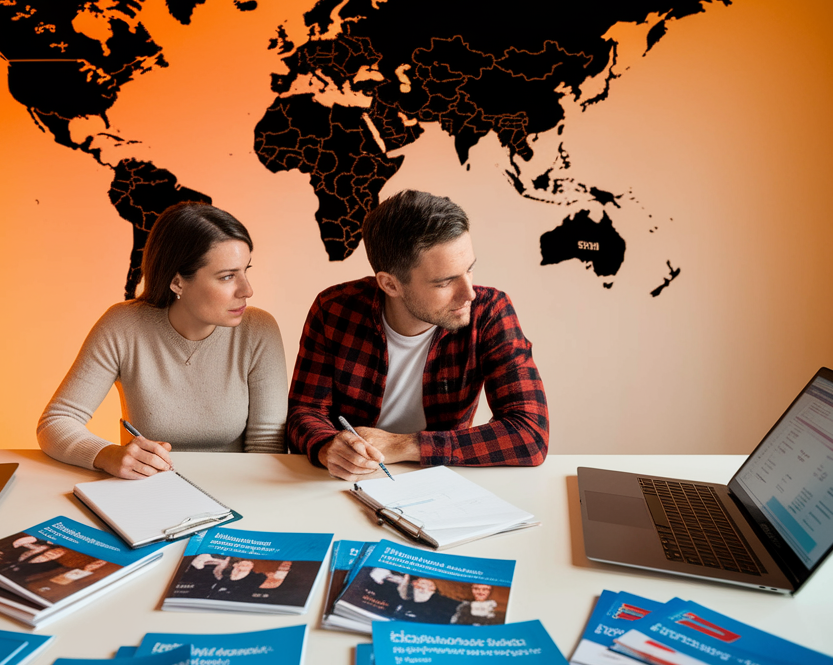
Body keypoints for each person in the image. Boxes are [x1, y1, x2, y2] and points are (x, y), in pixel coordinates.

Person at [286, 190, 548, 480]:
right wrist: (327, 447)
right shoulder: (334, 309)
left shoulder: (490, 312)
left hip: (441, 478)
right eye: (445, 282)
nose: (469, 293)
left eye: (469, 270)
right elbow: (304, 410)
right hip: (346, 480)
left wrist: (404, 445)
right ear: (390, 284)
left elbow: (530, 433)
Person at [38, 202, 287, 478]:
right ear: (178, 282)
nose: (247, 290)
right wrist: (106, 454)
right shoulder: (123, 325)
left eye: (245, 270)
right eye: (227, 276)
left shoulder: (259, 330)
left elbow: (268, 447)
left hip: (239, 489)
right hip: (147, 491)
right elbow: (56, 422)